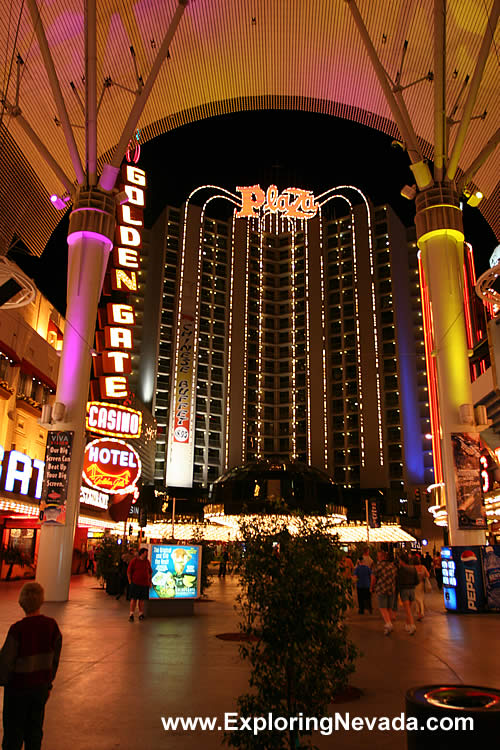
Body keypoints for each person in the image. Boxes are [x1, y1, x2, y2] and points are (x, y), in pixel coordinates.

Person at [0, 582, 62, 750]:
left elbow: (5, 662)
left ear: (22, 602)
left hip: (17, 690)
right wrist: (48, 683)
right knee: (34, 733)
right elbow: (54, 660)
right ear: (41, 601)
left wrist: (3, 680)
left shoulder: (17, 630)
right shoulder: (52, 626)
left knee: (13, 735)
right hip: (40, 688)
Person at [370, 549, 397, 635]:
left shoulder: (378, 566)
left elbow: (373, 578)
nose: (377, 557)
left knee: (382, 608)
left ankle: (388, 624)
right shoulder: (392, 566)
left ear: (382, 557)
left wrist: (371, 587)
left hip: (381, 589)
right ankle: (388, 624)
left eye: (378, 556)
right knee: (389, 608)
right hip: (391, 589)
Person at [127, 548, 153, 621]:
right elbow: (129, 571)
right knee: (134, 599)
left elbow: (150, 571)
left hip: (144, 584)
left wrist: (149, 581)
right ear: (142, 553)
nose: (147, 554)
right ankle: (131, 614)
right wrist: (130, 581)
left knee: (142, 600)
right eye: (146, 553)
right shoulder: (134, 561)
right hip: (135, 583)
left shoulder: (147, 562)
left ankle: (141, 614)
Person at [397, 551, 418, 634]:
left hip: (404, 590)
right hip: (412, 589)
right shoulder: (413, 568)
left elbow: (398, 580)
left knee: (407, 609)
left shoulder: (401, 569)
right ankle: (407, 624)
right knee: (409, 608)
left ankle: (412, 625)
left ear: (402, 561)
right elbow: (417, 580)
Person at [413, 553, 430, 621]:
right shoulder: (423, 567)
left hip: (415, 585)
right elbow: (428, 575)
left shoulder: (413, 568)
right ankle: (419, 612)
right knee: (421, 597)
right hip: (422, 584)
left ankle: (420, 612)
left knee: (417, 599)